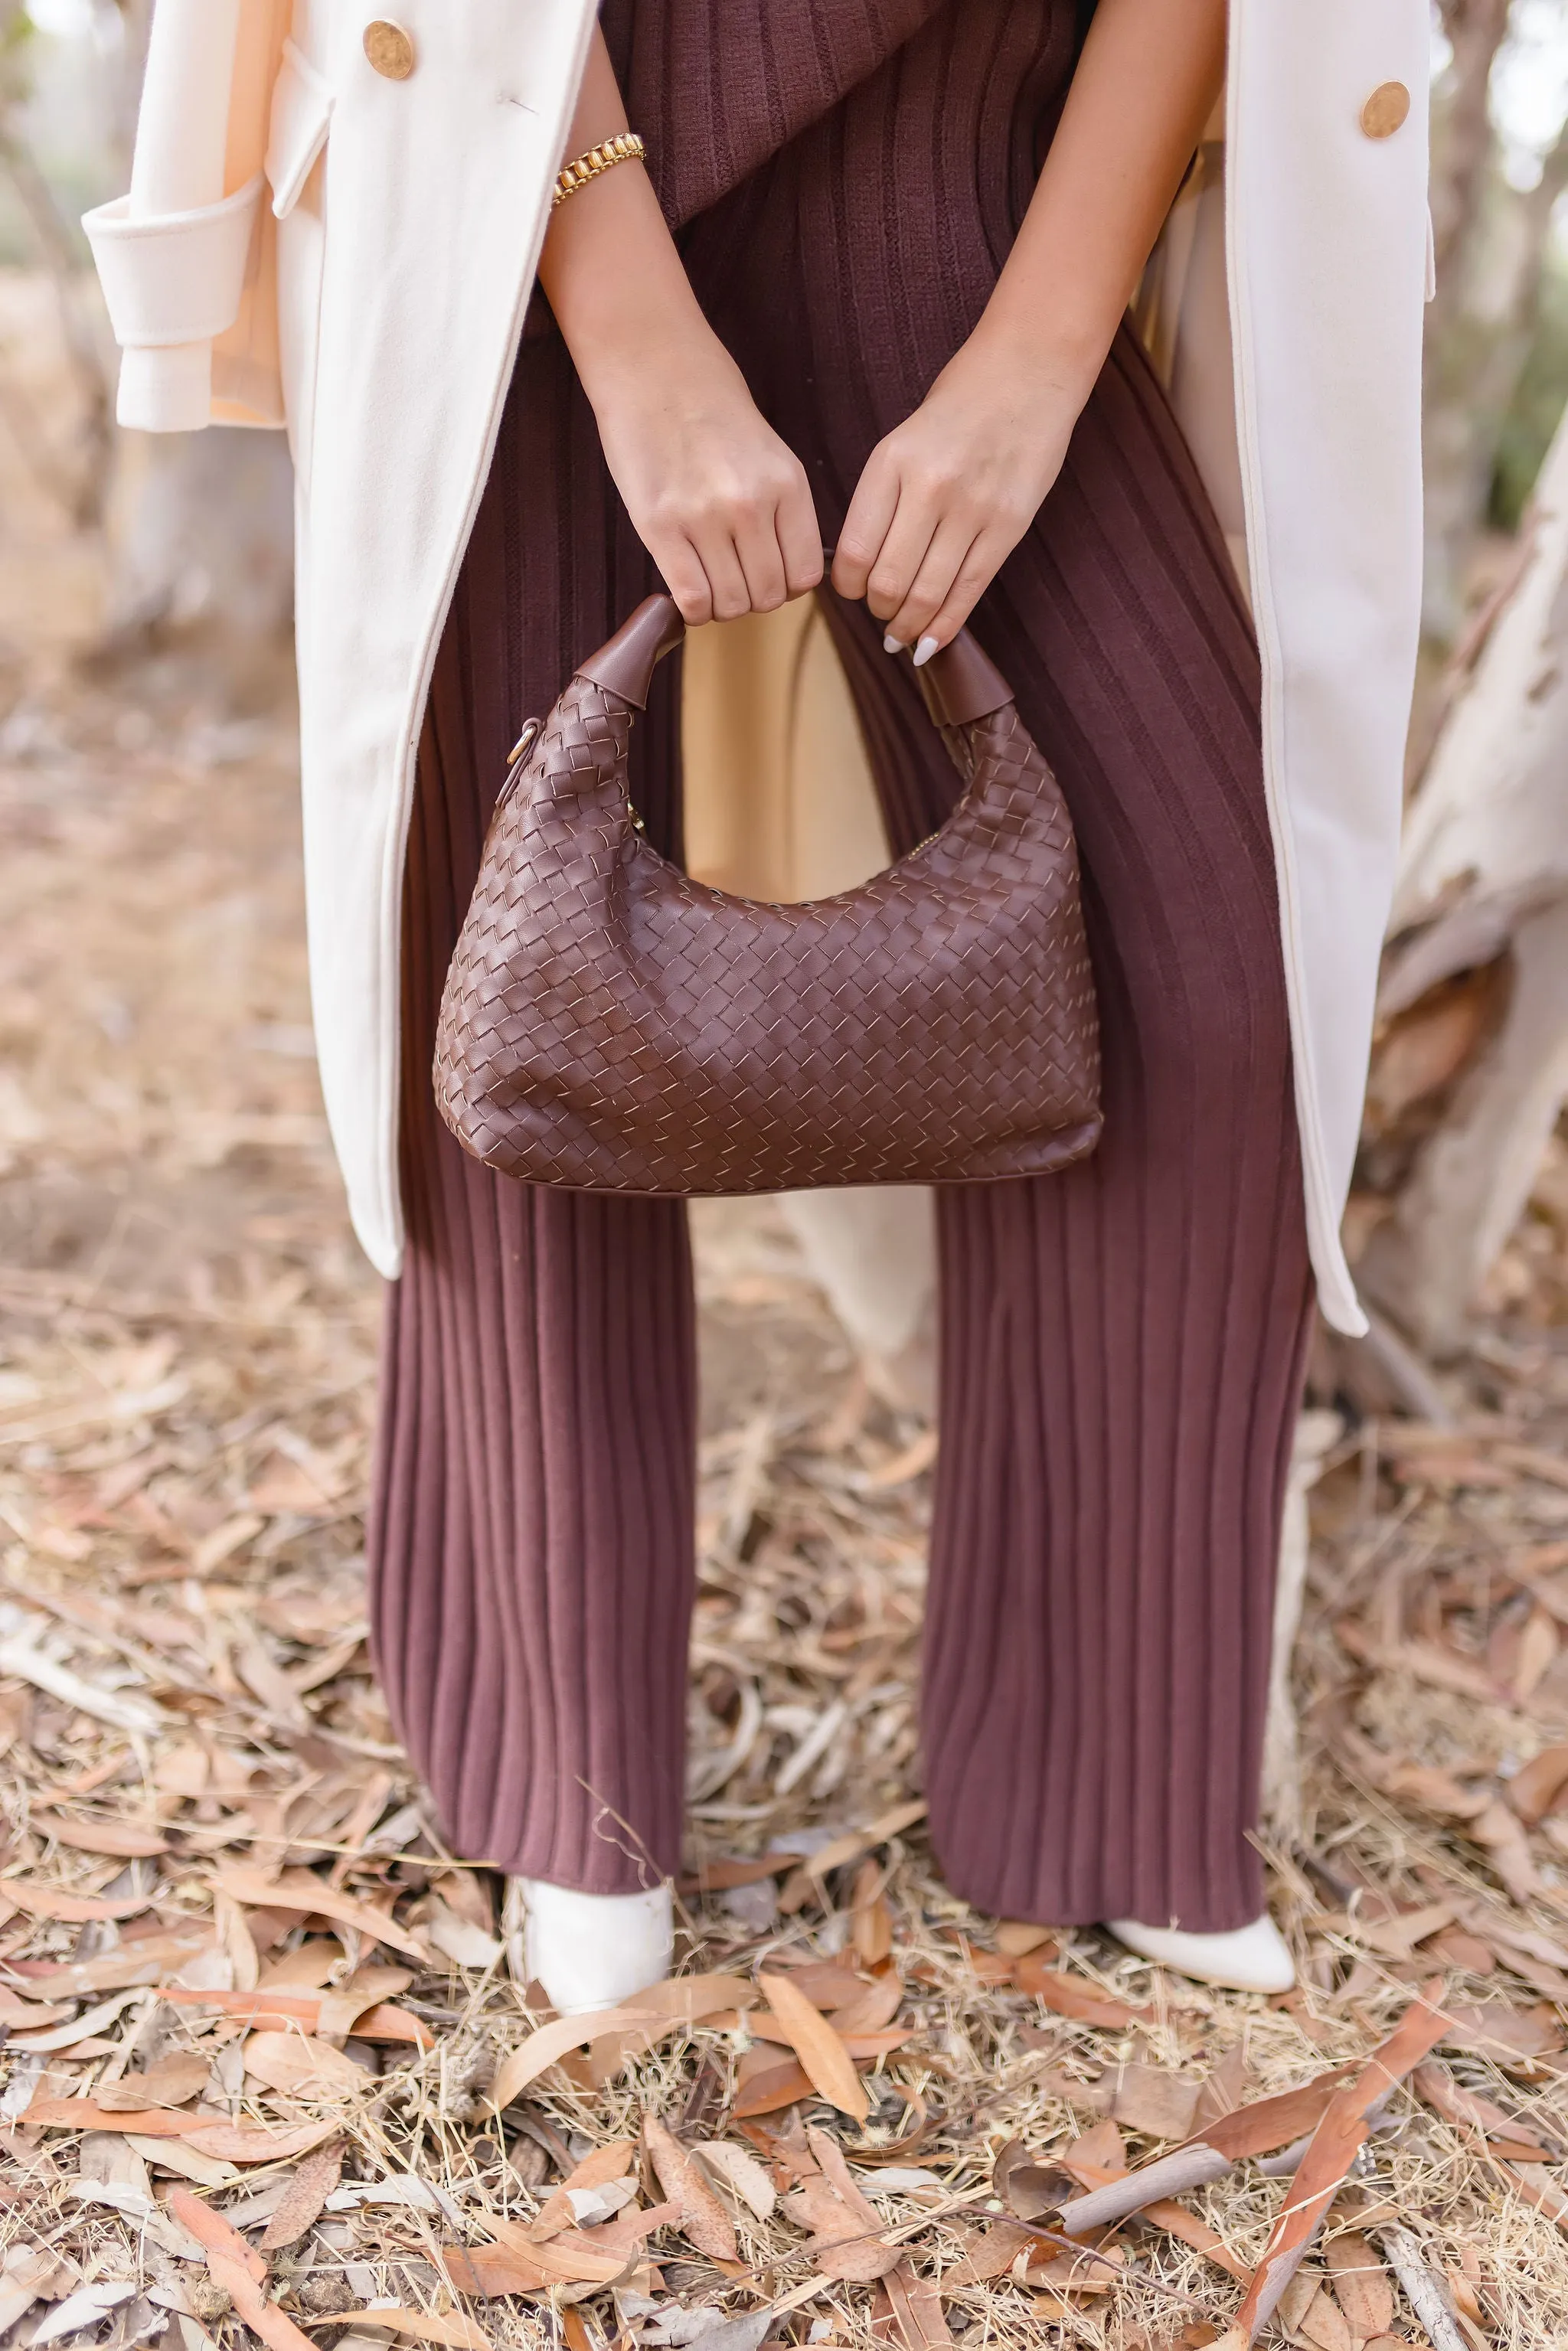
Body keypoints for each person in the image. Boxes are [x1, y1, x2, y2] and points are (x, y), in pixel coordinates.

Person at [88, 0, 1431, 2012]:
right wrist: (630, 332)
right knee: (524, 983)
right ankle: (571, 1780)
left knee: (1203, 994)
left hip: (986, 165)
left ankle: (1112, 1778)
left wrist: (1041, 356)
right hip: (538, 167)